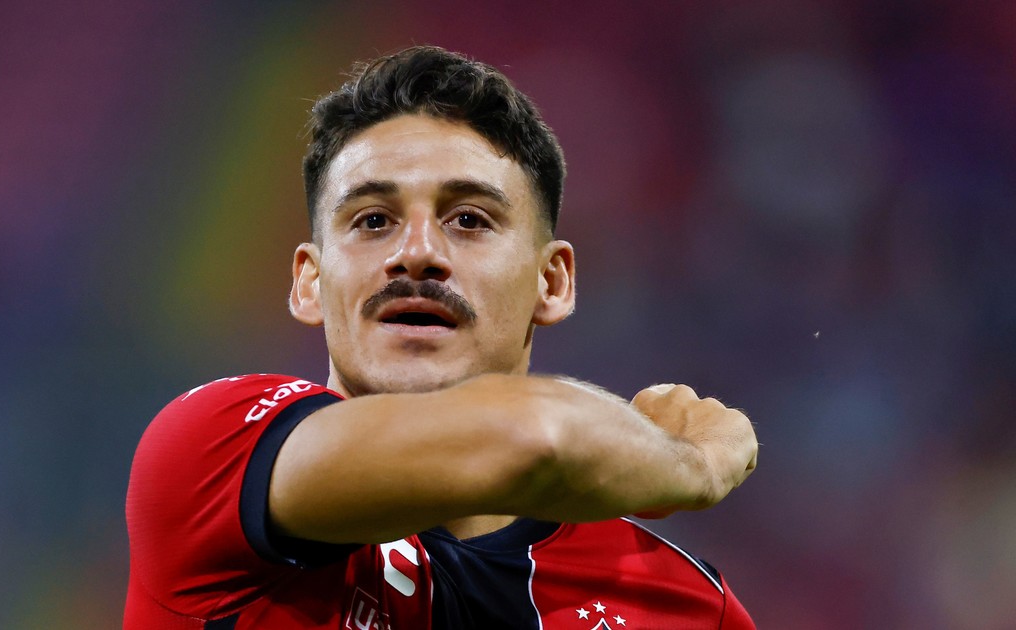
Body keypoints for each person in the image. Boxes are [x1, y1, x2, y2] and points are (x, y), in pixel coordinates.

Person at [124, 45, 759, 629]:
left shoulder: (688, 607)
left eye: (469, 220)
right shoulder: (213, 451)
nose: (418, 252)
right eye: (373, 220)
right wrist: (694, 463)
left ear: (552, 281)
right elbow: (536, 439)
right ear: (309, 283)